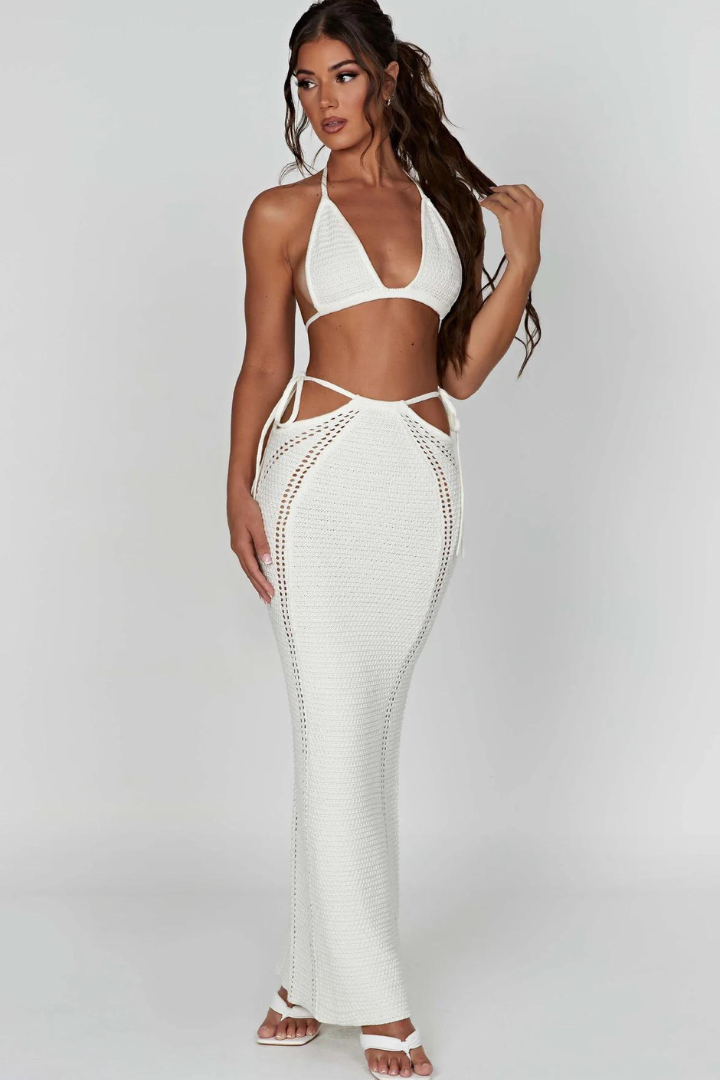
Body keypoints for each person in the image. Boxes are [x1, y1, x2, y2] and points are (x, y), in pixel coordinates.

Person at [226, 2, 543, 1075]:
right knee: (335, 727)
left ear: (390, 77)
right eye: (307, 82)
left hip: (419, 478)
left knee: (359, 733)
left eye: (344, 76)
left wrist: (523, 260)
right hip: (317, 476)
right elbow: (263, 363)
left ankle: (300, 978)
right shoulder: (281, 213)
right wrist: (237, 486)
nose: (324, 101)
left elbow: (458, 374)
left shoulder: (444, 206)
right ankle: (379, 1000)